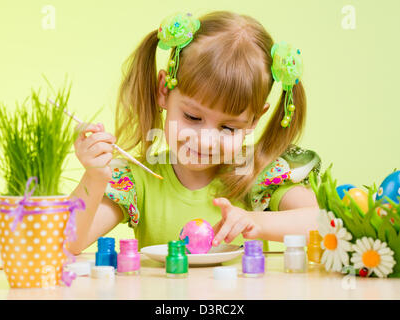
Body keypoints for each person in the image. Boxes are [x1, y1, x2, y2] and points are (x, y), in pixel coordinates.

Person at [68, 11, 321, 255]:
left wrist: (254, 221)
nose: (206, 140)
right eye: (193, 117)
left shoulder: (259, 174)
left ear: (255, 119)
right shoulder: (137, 182)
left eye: (228, 127)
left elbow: (321, 224)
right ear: (164, 91)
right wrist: (94, 178)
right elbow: (66, 244)